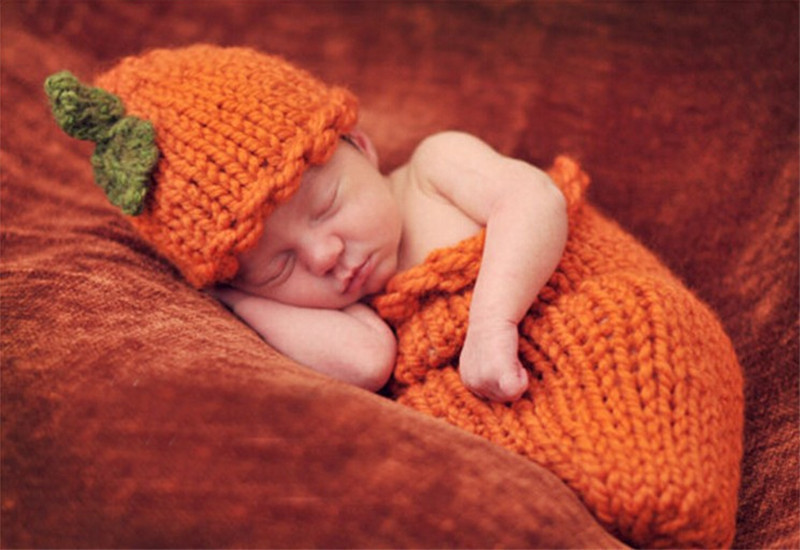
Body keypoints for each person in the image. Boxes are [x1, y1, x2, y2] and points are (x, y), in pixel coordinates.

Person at [45, 44, 567, 403]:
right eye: (279, 266)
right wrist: (237, 298)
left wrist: (492, 323)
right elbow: (365, 363)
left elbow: (533, 199)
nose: (324, 256)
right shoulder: (354, 317)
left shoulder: (434, 170)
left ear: (360, 146)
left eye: (327, 206)